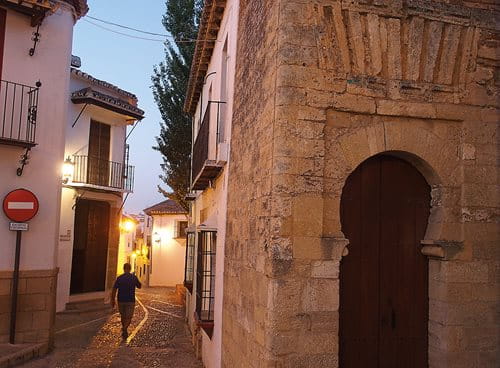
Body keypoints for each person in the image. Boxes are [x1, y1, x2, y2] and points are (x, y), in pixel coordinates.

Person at [111, 263, 141, 339]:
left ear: (123, 269)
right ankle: (125, 328)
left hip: (121, 300)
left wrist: (112, 299)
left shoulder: (119, 278)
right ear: (130, 269)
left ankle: (124, 328)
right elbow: (139, 286)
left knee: (123, 316)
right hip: (130, 300)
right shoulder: (133, 277)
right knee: (129, 317)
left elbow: (114, 289)